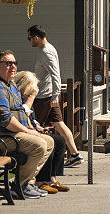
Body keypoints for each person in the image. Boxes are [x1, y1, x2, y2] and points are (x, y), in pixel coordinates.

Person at [0, 50, 55, 199]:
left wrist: (33, 128)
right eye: (7, 63)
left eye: (14, 63)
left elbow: (20, 112)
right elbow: (6, 119)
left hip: (8, 135)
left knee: (49, 142)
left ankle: (27, 183)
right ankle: (19, 186)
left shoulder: (10, 85)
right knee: (39, 144)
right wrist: (28, 132)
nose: (13, 67)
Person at [27, 25, 84, 167]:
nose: (29, 42)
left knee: (34, 126)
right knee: (59, 124)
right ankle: (75, 154)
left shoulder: (46, 52)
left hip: (44, 97)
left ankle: (36, 159)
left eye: (29, 38)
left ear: (36, 37)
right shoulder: (45, 50)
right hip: (46, 96)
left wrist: (55, 96)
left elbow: (55, 74)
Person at [15, 71, 70, 194]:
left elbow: (30, 118)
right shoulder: (17, 97)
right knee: (48, 141)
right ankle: (40, 181)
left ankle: (51, 178)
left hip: (30, 130)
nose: (33, 91)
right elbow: (21, 115)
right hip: (20, 135)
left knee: (60, 141)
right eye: (31, 88)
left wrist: (38, 127)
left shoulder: (25, 98)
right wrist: (31, 97)